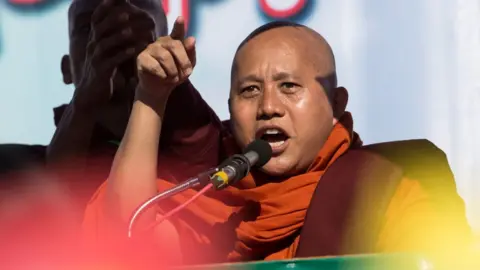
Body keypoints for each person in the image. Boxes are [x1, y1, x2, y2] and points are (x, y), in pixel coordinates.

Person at [82, 21, 472, 266]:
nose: (269, 107)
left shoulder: (387, 187)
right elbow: (125, 238)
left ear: (336, 105)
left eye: (289, 87)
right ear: (230, 109)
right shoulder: (214, 204)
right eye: (250, 91)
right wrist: (152, 97)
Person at [0, 0, 221, 206]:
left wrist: (166, 78)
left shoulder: (208, 143)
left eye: (139, 22)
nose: (118, 36)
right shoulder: (13, 169)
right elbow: (54, 197)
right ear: (67, 69)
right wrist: (86, 100)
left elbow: (205, 155)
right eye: (89, 29)